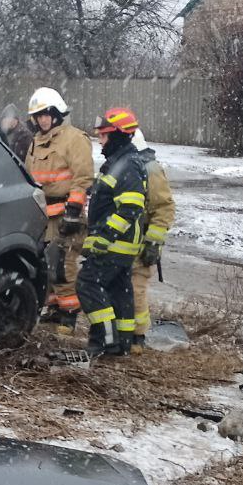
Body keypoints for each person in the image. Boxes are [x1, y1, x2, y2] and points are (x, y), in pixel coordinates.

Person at [76, 108, 148, 358]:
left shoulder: (126, 165)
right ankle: (121, 343)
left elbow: (131, 207)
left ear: (117, 136)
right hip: (121, 246)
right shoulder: (121, 162)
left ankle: (105, 341)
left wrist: (105, 237)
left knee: (88, 284)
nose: (100, 140)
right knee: (119, 291)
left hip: (114, 245)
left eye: (104, 135)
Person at [24, 86, 94, 332]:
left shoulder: (74, 139)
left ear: (56, 114)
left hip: (65, 215)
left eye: (46, 114)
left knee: (63, 266)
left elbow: (83, 178)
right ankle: (54, 309)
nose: (42, 119)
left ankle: (69, 315)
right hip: (43, 215)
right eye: (38, 115)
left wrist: (73, 212)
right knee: (47, 266)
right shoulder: (36, 142)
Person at [130, 128, 177, 353]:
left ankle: (137, 338)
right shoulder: (123, 166)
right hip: (123, 240)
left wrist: (153, 242)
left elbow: (164, 207)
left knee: (136, 287)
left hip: (141, 242)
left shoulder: (150, 169)